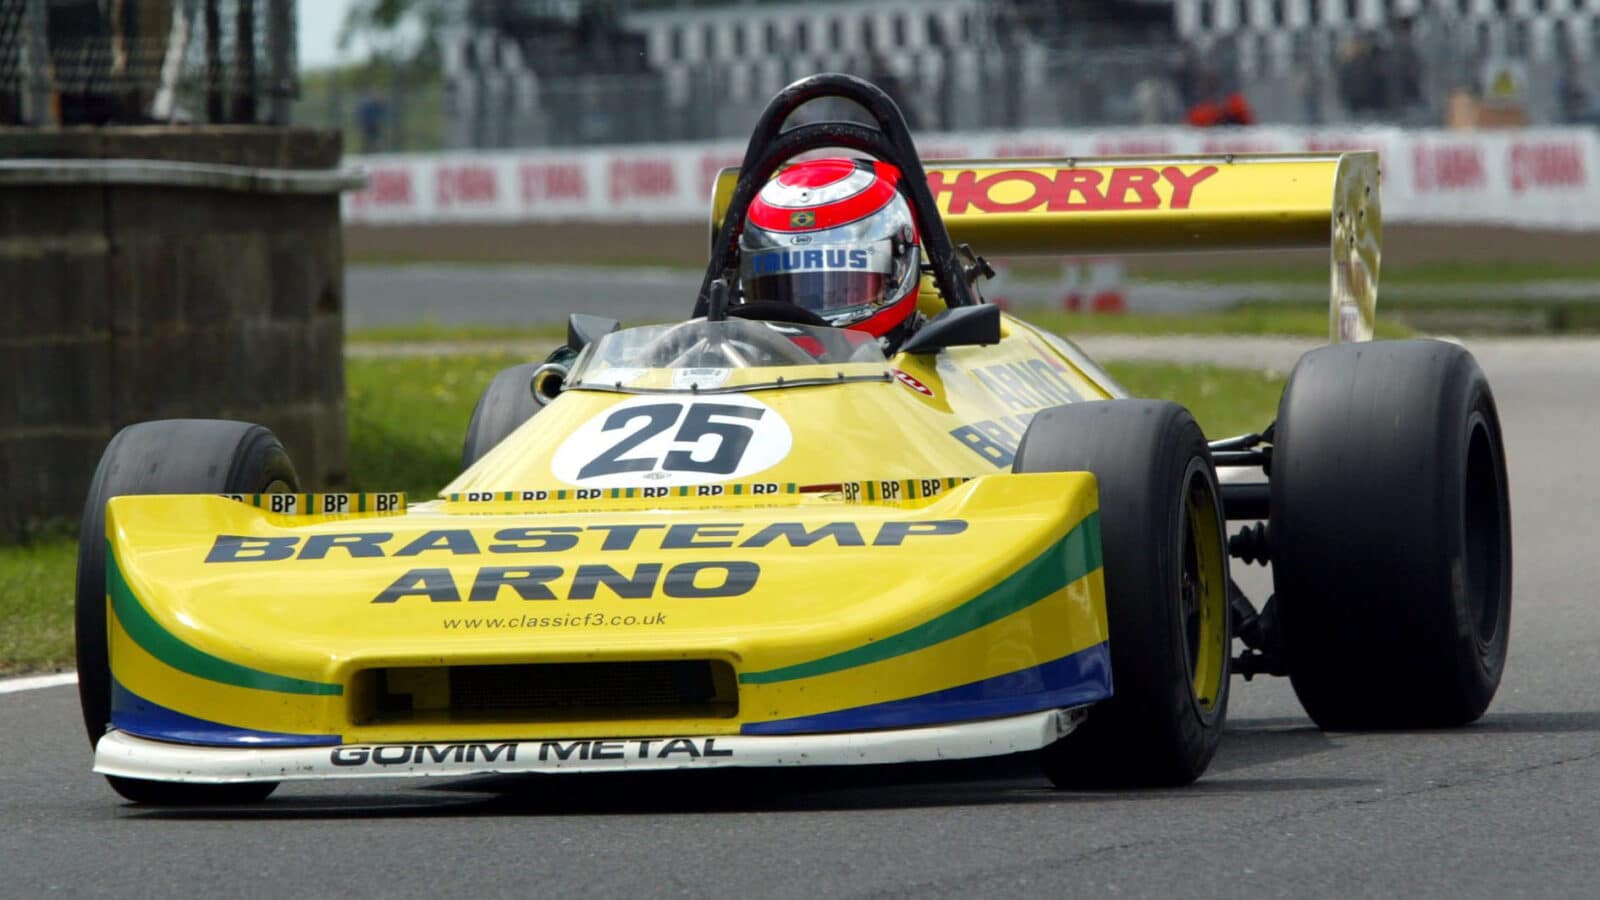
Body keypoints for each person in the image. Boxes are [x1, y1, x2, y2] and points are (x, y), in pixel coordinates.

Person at [736, 158, 924, 353]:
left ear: (898, 268)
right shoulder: (729, 358)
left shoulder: (945, 364)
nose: (809, 314)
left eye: (844, 287)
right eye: (780, 292)